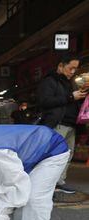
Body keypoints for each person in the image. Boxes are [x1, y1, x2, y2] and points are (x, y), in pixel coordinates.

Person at [37, 54, 87, 194]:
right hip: (57, 124)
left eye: (75, 69)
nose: (72, 72)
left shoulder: (70, 82)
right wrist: (71, 96)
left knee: (67, 155)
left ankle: (59, 182)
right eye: (70, 68)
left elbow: (70, 102)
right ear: (60, 66)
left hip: (71, 124)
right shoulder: (49, 81)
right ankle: (47, 185)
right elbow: (45, 102)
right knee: (53, 156)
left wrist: (80, 96)